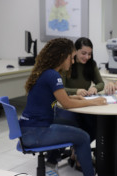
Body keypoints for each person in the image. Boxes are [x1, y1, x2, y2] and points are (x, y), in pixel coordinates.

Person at [19, 38, 107, 176]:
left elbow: (60, 98)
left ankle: (71, 158)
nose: (72, 62)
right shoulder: (53, 75)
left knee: (74, 127)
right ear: (62, 57)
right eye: (71, 58)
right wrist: (93, 102)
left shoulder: (45, 72)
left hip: (28, 129)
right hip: (36, 132)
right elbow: (66, 104)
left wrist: (73, 97)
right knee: (83, 137)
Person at [58, 37, 104, 170]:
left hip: (84, 105)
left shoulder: (91, 64)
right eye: (83, 53)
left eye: (89, 54)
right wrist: (76, 91)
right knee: (76, 127)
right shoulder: (67, 65)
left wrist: (95, 88)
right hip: (67, 106)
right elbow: (60, 89)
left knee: (97, 125)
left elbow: (100, 83)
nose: (87, 57)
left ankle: (77, 151)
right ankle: (79, 154)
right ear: (75, 51)